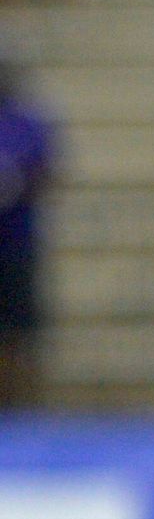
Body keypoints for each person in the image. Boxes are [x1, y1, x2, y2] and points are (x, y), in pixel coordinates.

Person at [0, 45, 54, 404]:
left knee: (19, 333)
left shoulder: (28, 122)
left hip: (16, 242)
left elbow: (49, 171)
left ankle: (21, 405)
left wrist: (16, 186)